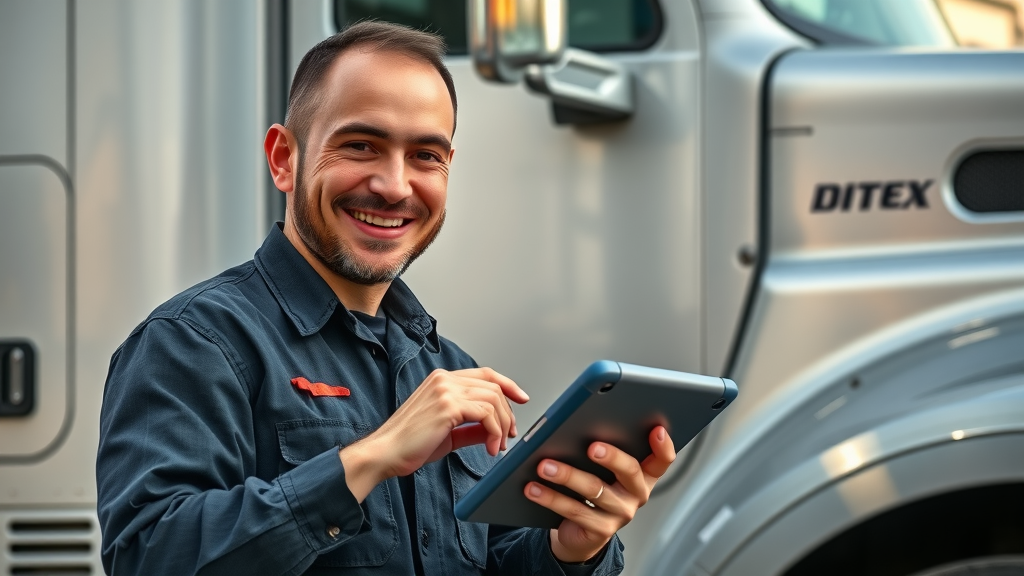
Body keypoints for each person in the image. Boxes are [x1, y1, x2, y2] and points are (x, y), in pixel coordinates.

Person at [96, 21, 676, 576]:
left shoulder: (448, 367)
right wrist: (370, 458)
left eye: (426, 155)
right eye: (361, 146)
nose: (395, 186)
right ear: (283, 159)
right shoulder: (192, 344)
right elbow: (150, 556)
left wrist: (572, 548)